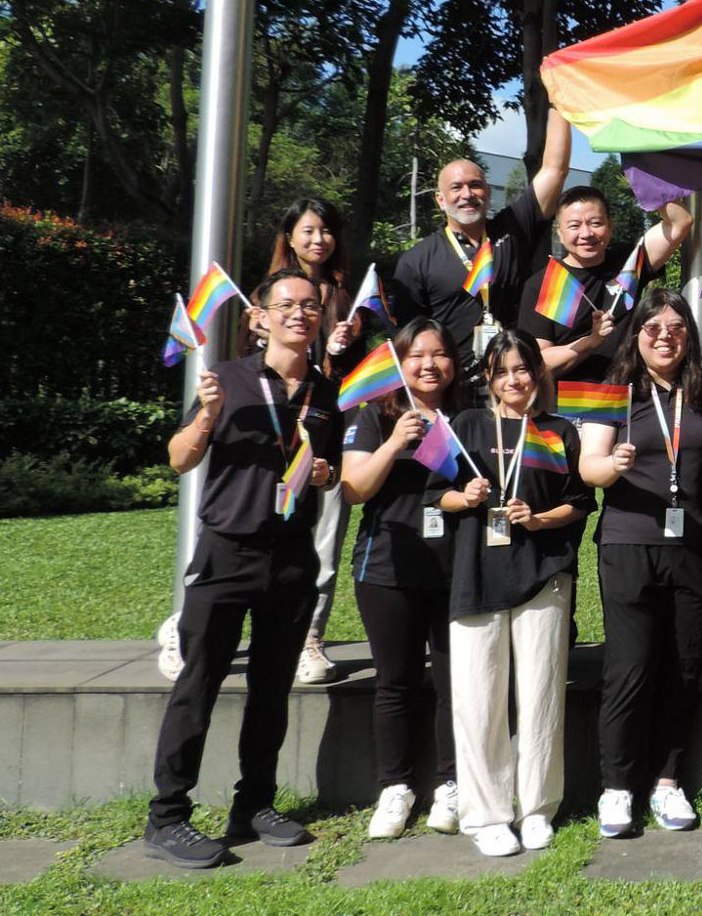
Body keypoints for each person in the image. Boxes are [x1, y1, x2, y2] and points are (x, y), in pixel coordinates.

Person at [143, 268, 342, 869]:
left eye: (310, 306)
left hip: (291, 556)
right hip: (228, 552)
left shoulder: (326, 392)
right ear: (260, 316)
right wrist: (205, 416)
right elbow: (180, 459)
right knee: (198, 684)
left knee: (271, 690)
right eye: (286, 305)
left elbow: (321, 464)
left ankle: (253, 804)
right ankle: (167, 817)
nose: (299, 315)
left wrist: (325, 474)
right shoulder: (224, 378)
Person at [577, 288, 702, 838]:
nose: (665, 337)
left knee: (684, 665)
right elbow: (588, 468)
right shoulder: (614, 391)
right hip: (628, 543)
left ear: (689, 336)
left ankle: (667, 782)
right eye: (653, 328)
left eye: (676, 328)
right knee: (630, 669)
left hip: (694, 547)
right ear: (637, 335)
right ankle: (617, 788)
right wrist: (612, 465)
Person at [439, 330, 594, 857]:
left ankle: (535, 808)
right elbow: (429, 492)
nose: (514, 379)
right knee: (479, 698)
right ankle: (485, 814)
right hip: (476, 574)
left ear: (538, 374)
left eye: (523, 368)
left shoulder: (557, 433)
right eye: (502, 371)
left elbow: (578, 503)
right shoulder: (465, 426)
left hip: (542, 574)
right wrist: (464, 496)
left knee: (541, 696)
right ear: (488, 377)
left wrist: (538, 517)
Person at [341, 318, 467, 840]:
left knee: (453, 683)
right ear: (398, 361)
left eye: (439, 354)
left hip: (456, 568)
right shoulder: (374, 416)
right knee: (395, 682)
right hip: (387, 568)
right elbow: (354, 489)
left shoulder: (469, 416)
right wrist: (394, 443)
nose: (429, 365)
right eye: (416, 355)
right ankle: (395, 787)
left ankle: (450, 785)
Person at [392, 109, 575, 383]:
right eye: (456, 188)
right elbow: (408, 342)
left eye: (475, 185)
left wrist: (560, 100)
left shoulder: (511, 228)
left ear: (488, 193)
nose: (467, 194)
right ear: (440, 200)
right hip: (453, 388)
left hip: (512, 383)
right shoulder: (416, 260)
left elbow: (555, 170)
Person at [263, 198, 364, 686]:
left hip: (328, 435)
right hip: (275, 436)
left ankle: (310, 637)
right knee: (257, 533)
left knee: (325, 535)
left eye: (326, 231)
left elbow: (369, 373)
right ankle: (200, 624)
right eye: (307, 230)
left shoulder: (350, 297)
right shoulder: (268, 295)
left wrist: (352, 345)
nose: (317, 240)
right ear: (289, 236)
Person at [516, 176, 692, 387]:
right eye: (574, 225)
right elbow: (538, 362)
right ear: (560, 233)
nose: (586, 233)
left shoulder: (628, 262)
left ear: (610, 226)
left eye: (596, 223)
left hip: (629, 397)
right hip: (567, 404)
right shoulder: (543, 283)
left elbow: (680, 222)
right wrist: (591, 340)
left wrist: (646, 174)